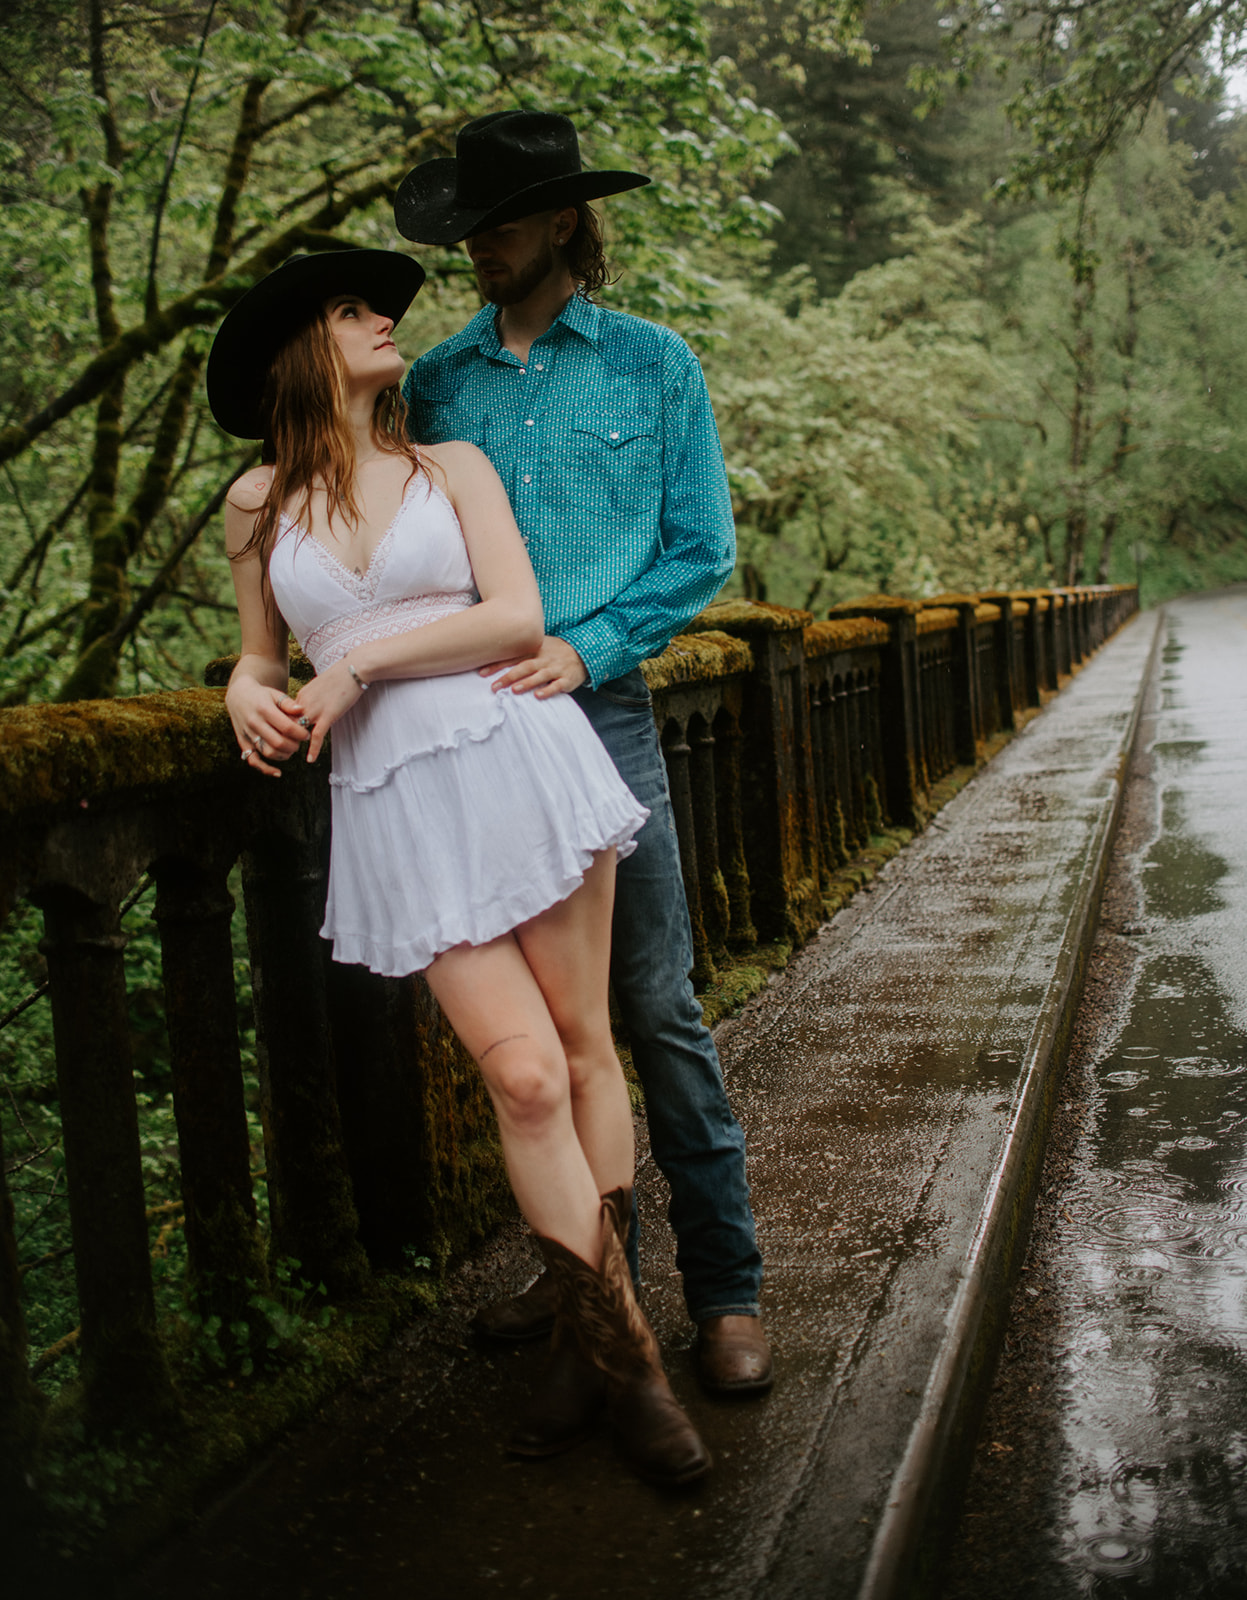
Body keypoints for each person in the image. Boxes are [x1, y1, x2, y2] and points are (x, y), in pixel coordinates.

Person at [206, 246, 710, 1487]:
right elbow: (262, 655)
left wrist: (363, 664)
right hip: (396, 804)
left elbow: (516, 618)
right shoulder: (253, 503)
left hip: (516, 758)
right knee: (524, 1074)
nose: (385, 320)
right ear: (297, 352)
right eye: (350, 309)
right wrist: (238, 687)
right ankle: (625, 1349)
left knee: (584, 1045)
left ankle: (604, 1362)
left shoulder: (452, 466)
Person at [394, 110, 772, 1400]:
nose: (475, 251)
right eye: (466, 233)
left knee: (653, 1009)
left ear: (560, 220)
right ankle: (587, 1281)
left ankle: (725, 1288)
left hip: (598, 715)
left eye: (495, 225)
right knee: (539, 1042)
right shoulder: (435, 384)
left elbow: (701, 547)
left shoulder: (655, 364)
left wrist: (591, 642)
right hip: (468, 734)